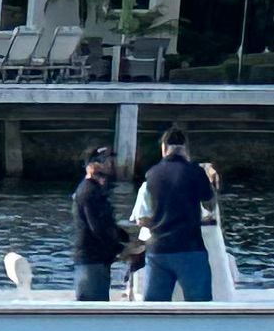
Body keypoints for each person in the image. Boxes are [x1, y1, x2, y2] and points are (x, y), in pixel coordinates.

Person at [132, 124, 221, 302]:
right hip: (189, 249)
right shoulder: (196, 172)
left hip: (158, 250)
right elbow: (210, 205)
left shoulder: (151, 175)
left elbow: (141, 219)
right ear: (185, 149)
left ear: (164, 148)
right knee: (200, 307)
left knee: (155, 308)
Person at [69, 143, 132, 301]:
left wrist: (126, 238)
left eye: (109, 160)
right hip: (91, 261)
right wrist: (122, 248)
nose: (109, 164)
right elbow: (98, 229)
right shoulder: (88, 192)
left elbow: (106, 224)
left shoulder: (97, 191)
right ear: (91, 166)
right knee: (92, 314)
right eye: (103, 160)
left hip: (99, 261)